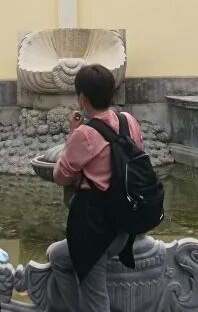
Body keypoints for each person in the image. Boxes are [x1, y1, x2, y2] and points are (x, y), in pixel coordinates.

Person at [52, 64, 145, 312]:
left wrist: (73, 134)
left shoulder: (85, 134)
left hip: (96, 229)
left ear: (82, 98)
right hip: (126, 222)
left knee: (95, 299)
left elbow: (60, 177)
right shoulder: (128, 121)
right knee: (58, 256)